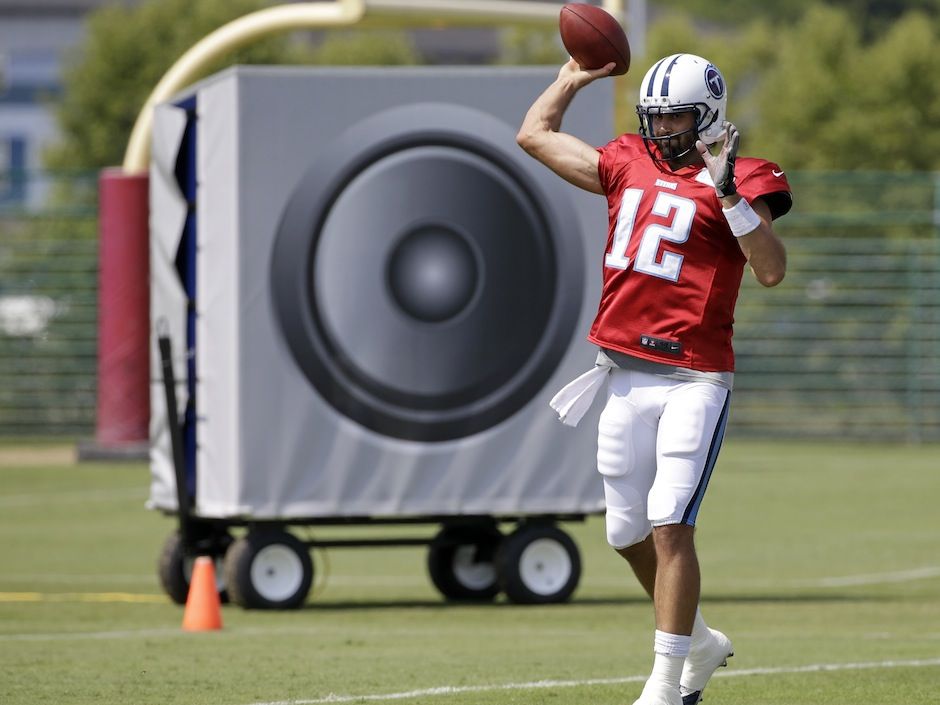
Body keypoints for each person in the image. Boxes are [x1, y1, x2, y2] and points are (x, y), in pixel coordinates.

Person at [517, 53, 792, 705]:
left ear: (710, 116)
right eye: (654, 117)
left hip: (694, 376)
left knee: (671, 523)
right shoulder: (625, 160)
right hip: (624, 374)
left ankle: (667, 682)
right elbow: (533, 135)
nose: (662, 129)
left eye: (675, 118)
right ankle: (698, 642)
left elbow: (772, 269)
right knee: (625, 532)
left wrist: (726, 193)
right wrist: (569, 81)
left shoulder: (745, 176)